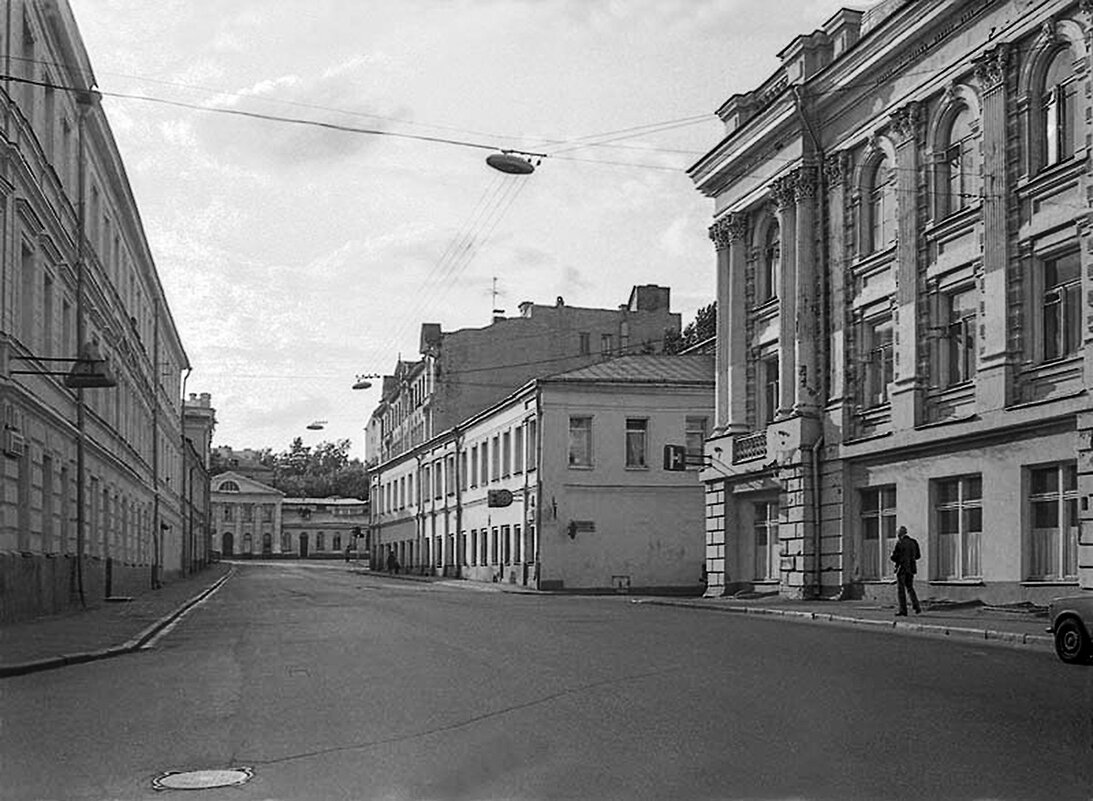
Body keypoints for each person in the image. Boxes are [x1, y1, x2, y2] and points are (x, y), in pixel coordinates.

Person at [890, 525, 922, 616]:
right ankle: (917, 606)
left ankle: (903, 610)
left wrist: (894, 556)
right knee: (910, 587)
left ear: (899, 534)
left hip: (901, 568)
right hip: (911, 568)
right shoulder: (913, 542)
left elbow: (894, 557)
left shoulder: (899, 543)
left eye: (897, 533)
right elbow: (918, 556)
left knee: (901, 590)